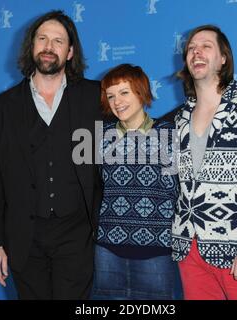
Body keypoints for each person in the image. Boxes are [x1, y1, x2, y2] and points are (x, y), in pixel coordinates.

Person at [0, 10, 102, 300]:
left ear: (70, 52)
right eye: (42, 38)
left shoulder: (97, 98)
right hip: (24, 239)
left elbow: (138, 126)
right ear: (31, 46)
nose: (49, 47)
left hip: (79, 237)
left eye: (58, 41)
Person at [171, 25, 237, 300]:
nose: (196, 51)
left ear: (223, 58)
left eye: (206, 46)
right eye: (191, 48)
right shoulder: (181, 117)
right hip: (190, 250)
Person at [91, 64, 179, 300]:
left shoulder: (171, 134)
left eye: (124, 92)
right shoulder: (101, 138)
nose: (117, 101)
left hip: (157, 252)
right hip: (107, 250)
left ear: (141, 93)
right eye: (110, 96)